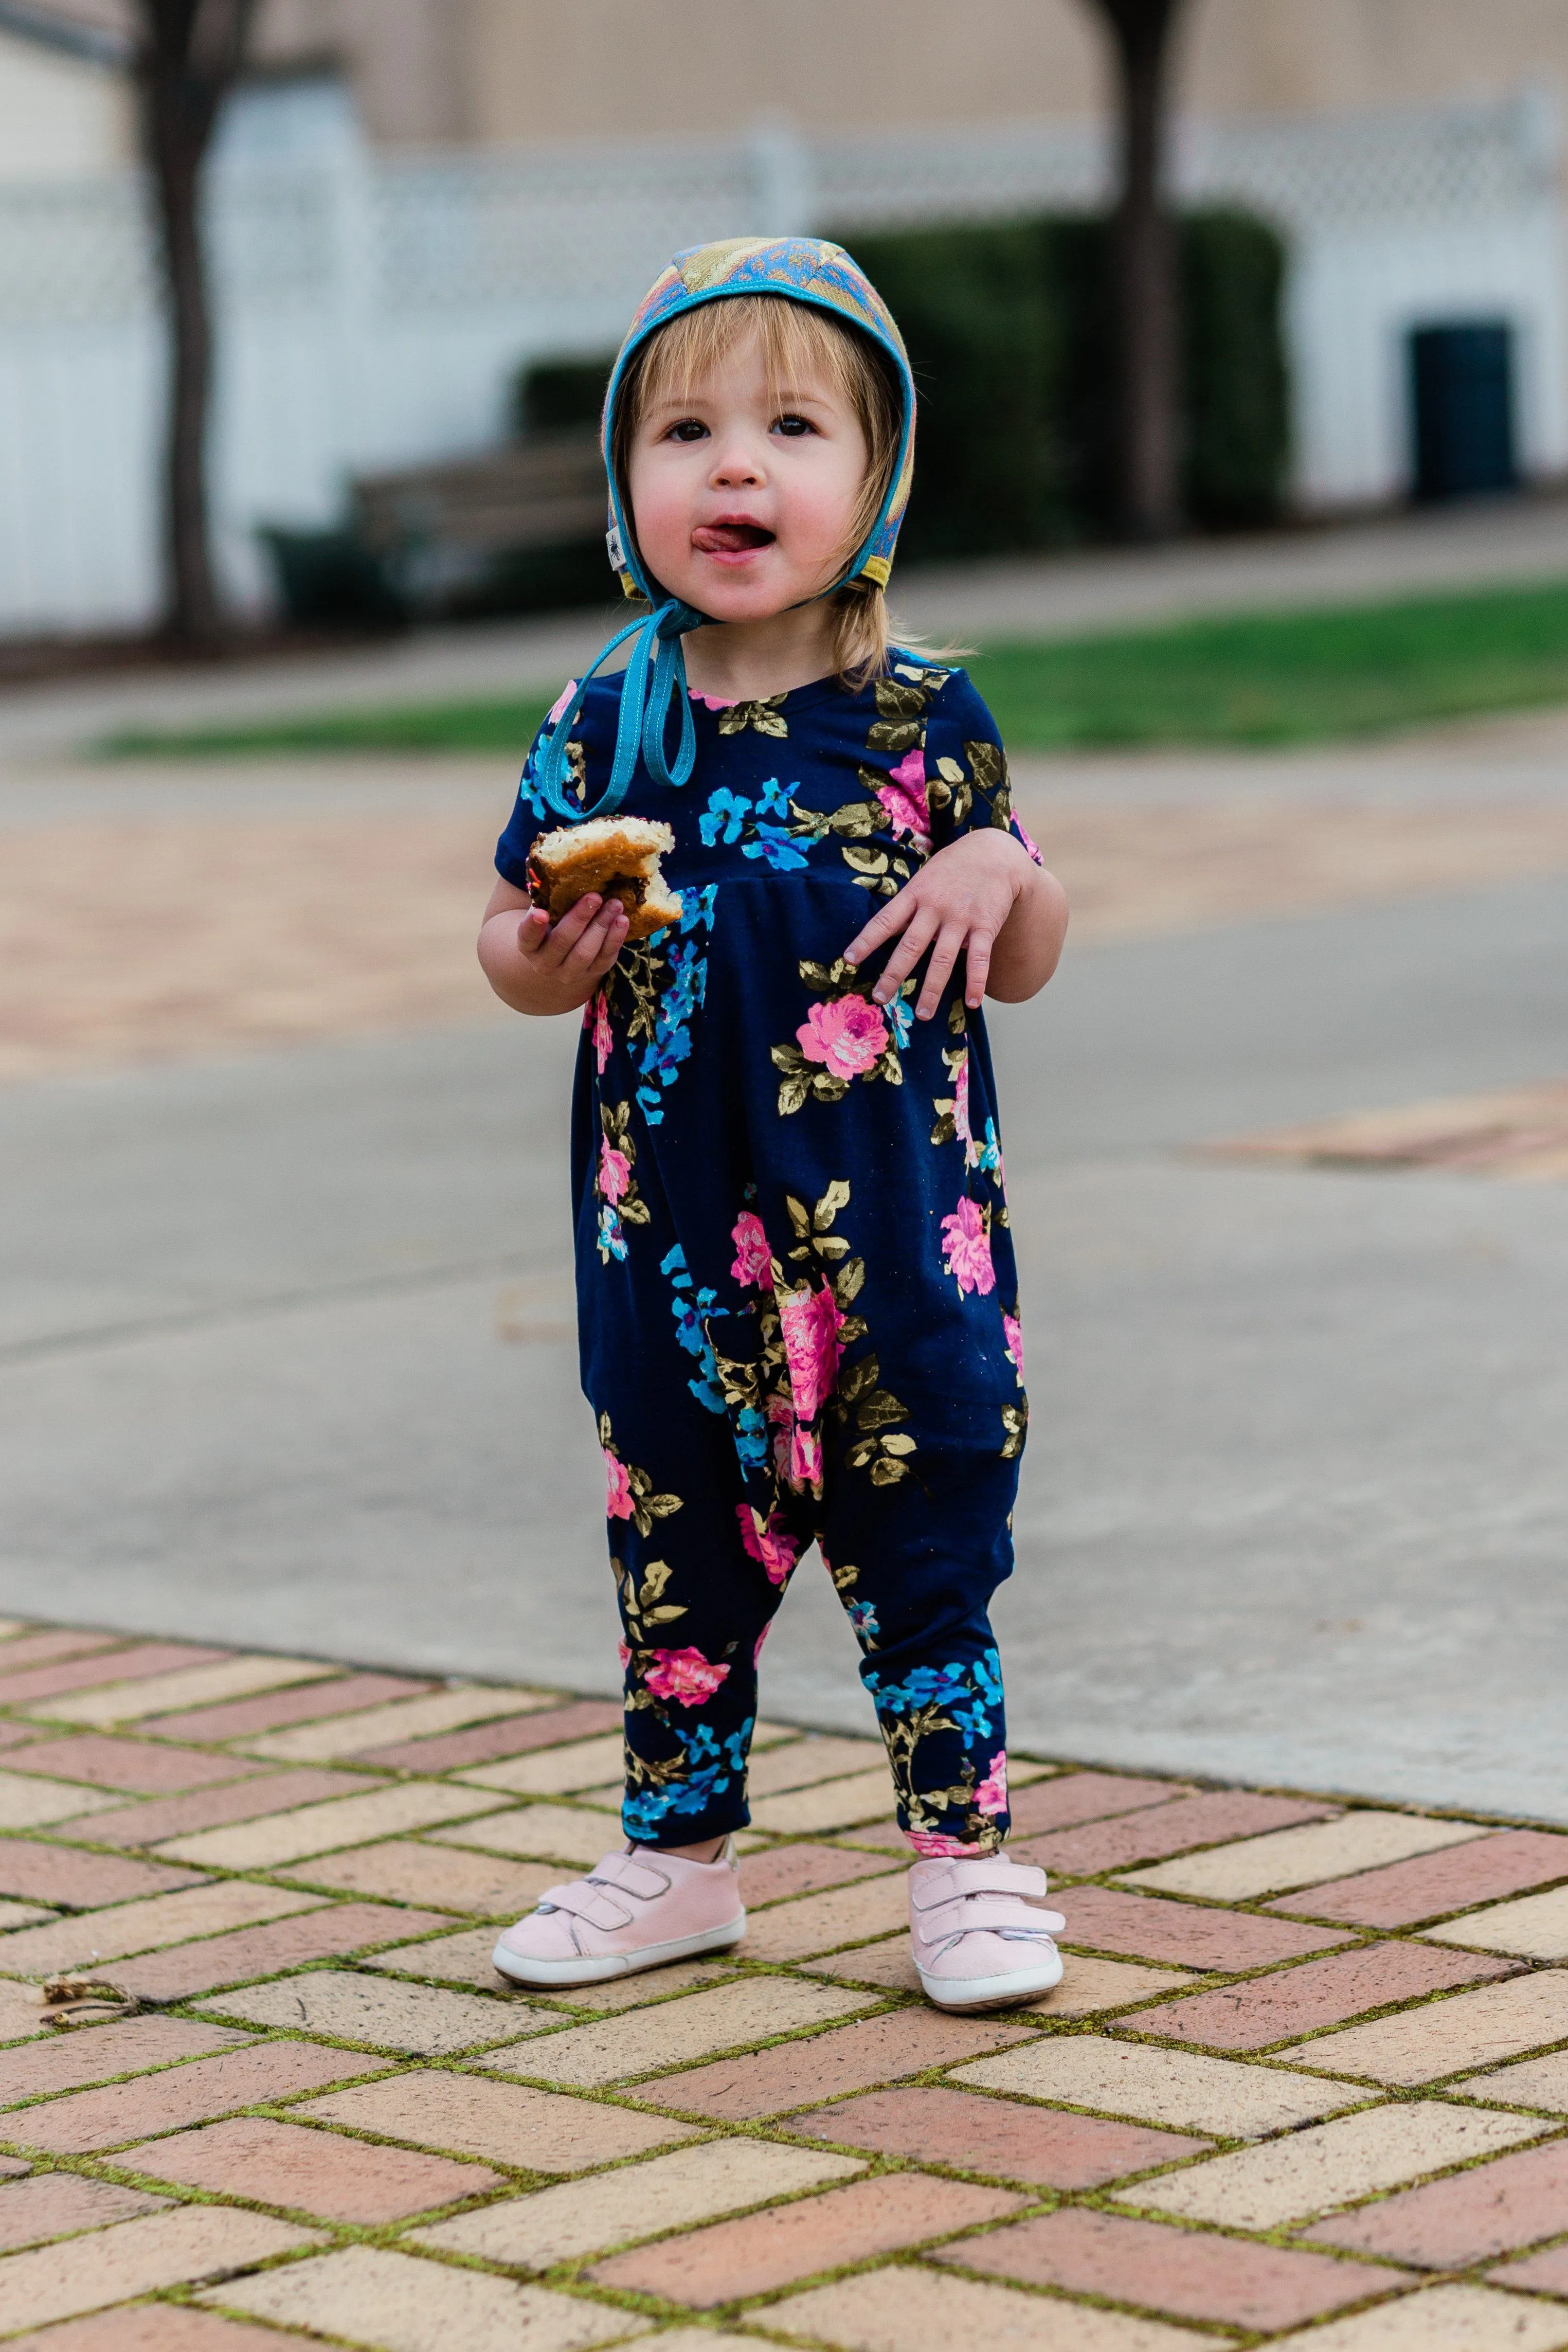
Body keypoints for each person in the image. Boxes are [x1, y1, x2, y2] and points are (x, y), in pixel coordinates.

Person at [477, 237, 1070, 2012]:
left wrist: (1004, 862)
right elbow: (508, 945)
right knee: (677, 1532)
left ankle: (965, 1861)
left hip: (894, 1230)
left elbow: (1022, 958)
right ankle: (678, 1860)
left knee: (928, 1533)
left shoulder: (923, 723)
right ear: (625, 484)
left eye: (792, 425)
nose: (734, 465)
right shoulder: (607, 725)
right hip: (668, 1239)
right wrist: (542, 949)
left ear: (871, 482)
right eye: (683, 431)